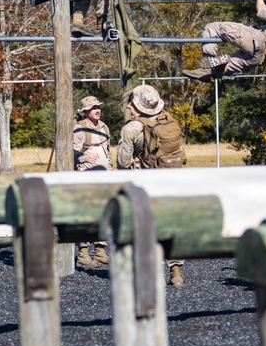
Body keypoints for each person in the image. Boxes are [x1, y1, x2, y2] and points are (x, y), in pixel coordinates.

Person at [115, 84, 187, 286]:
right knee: (170, 224)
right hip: (170, 181)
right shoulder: (169, 121)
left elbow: (123, 162)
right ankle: (176, 271)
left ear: (136, 105)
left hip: (145, 184)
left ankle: (151, 274)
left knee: (145, 227)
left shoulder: (131, 128)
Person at [73, 95, 112, 269]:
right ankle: (82, 252)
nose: (97, 110)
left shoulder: (104, 127)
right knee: (85, 214)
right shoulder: (78, 129)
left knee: (104, 213)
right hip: (85, 178)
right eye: (93, 108)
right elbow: (69, 153)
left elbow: (108, 151)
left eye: (98, 106)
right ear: (85, 111)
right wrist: (82, 157)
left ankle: (100, 251)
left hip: (104, 178)